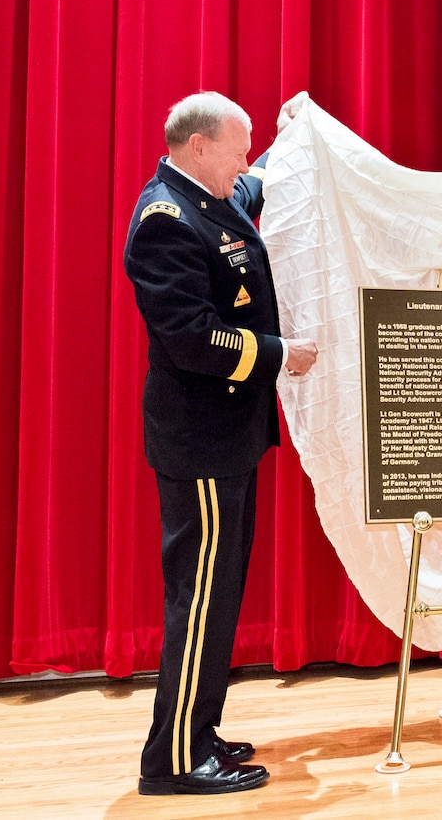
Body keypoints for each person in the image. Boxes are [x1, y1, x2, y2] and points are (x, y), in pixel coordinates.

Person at [124, 92, 317, 795]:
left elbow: (255, 182)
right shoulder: (165, 221)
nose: (245, 159)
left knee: (220, 594)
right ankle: (174, 759)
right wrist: (279, 353)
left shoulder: (209, 194)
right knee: (199, 599)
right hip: (200, 439)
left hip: (227, 438)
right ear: (198, 145)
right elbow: (192, 336)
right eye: (237, 146)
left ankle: (197, 730)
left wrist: (294, 138)